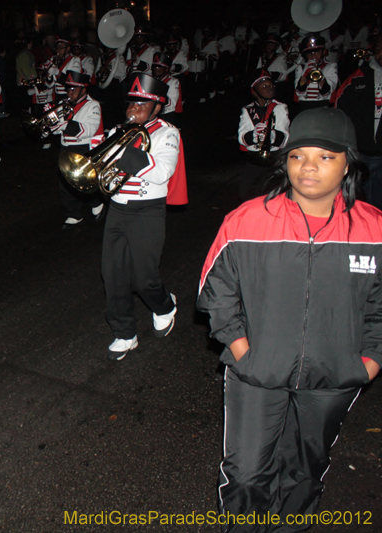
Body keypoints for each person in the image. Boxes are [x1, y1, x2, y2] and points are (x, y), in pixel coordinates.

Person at [197, 107, 381, 533]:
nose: (309, 167)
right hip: (256, 374)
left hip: (333, 380)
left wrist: (368, 361)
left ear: (348, 163)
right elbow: (215, 288)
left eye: (325, 156)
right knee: (245, 474)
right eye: (298, 156)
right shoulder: (246, 220)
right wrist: (243, 349)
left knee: (304, 471)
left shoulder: (374, 229)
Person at [102, 72, 187, 359]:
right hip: (117, 209)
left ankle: (165, 305)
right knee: (112, 275)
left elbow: (162, 172)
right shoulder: (117, 130)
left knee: (144, 278)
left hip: (146, 212)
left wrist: (126, 150)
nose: (133, 109)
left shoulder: (167, 133)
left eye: (141, 104)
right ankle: (124, 333)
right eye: (131, 103)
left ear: (156, 108)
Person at [47, 70, 104, 228]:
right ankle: (74, 213)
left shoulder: (92, 105)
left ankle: (96, 201)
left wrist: (66, 125)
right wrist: (51, 121)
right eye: (68, 88)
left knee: (84, 182)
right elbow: (57, 130)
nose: (70, 92)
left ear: (83, 90)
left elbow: (90, 128)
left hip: (82, 147)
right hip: (65, 147)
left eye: (74, 89)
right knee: (65, 182)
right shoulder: (63, 104)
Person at [333, 34, 382, 209]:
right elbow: (339, 107)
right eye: (378, 50)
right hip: (361, 152)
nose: (381, 54)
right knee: (358, 199)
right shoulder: (358, 76)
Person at [237, 70, 290, 200]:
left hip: (274, 158)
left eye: (271, 85)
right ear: (254, 91)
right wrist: (255, 135)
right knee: (244, 193)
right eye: (265, 86)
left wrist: (270, 135)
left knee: (268, 194)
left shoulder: (280, 108)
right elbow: (242, 137)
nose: (270, 88)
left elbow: (284, 138)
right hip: (254, 158)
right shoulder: (247, 110)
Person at [293, 35, 338, 112]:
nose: (313, 55)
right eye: (309, 53)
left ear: (323, 52)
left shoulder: (330, 66)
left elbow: (326, 93)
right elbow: (299, 92)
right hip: (304, 104)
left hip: (322, 104)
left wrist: (318, 72)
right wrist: (305, 73)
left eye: (317, 52)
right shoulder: (301, 68)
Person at [151, 53, 182, 125]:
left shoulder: (173, 82)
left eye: (159, 67)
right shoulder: (152, 80)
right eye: (154, 66)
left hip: (166, 116)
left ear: (166, 69)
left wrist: (158, 91)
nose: (156, 69)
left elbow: (171, 105)